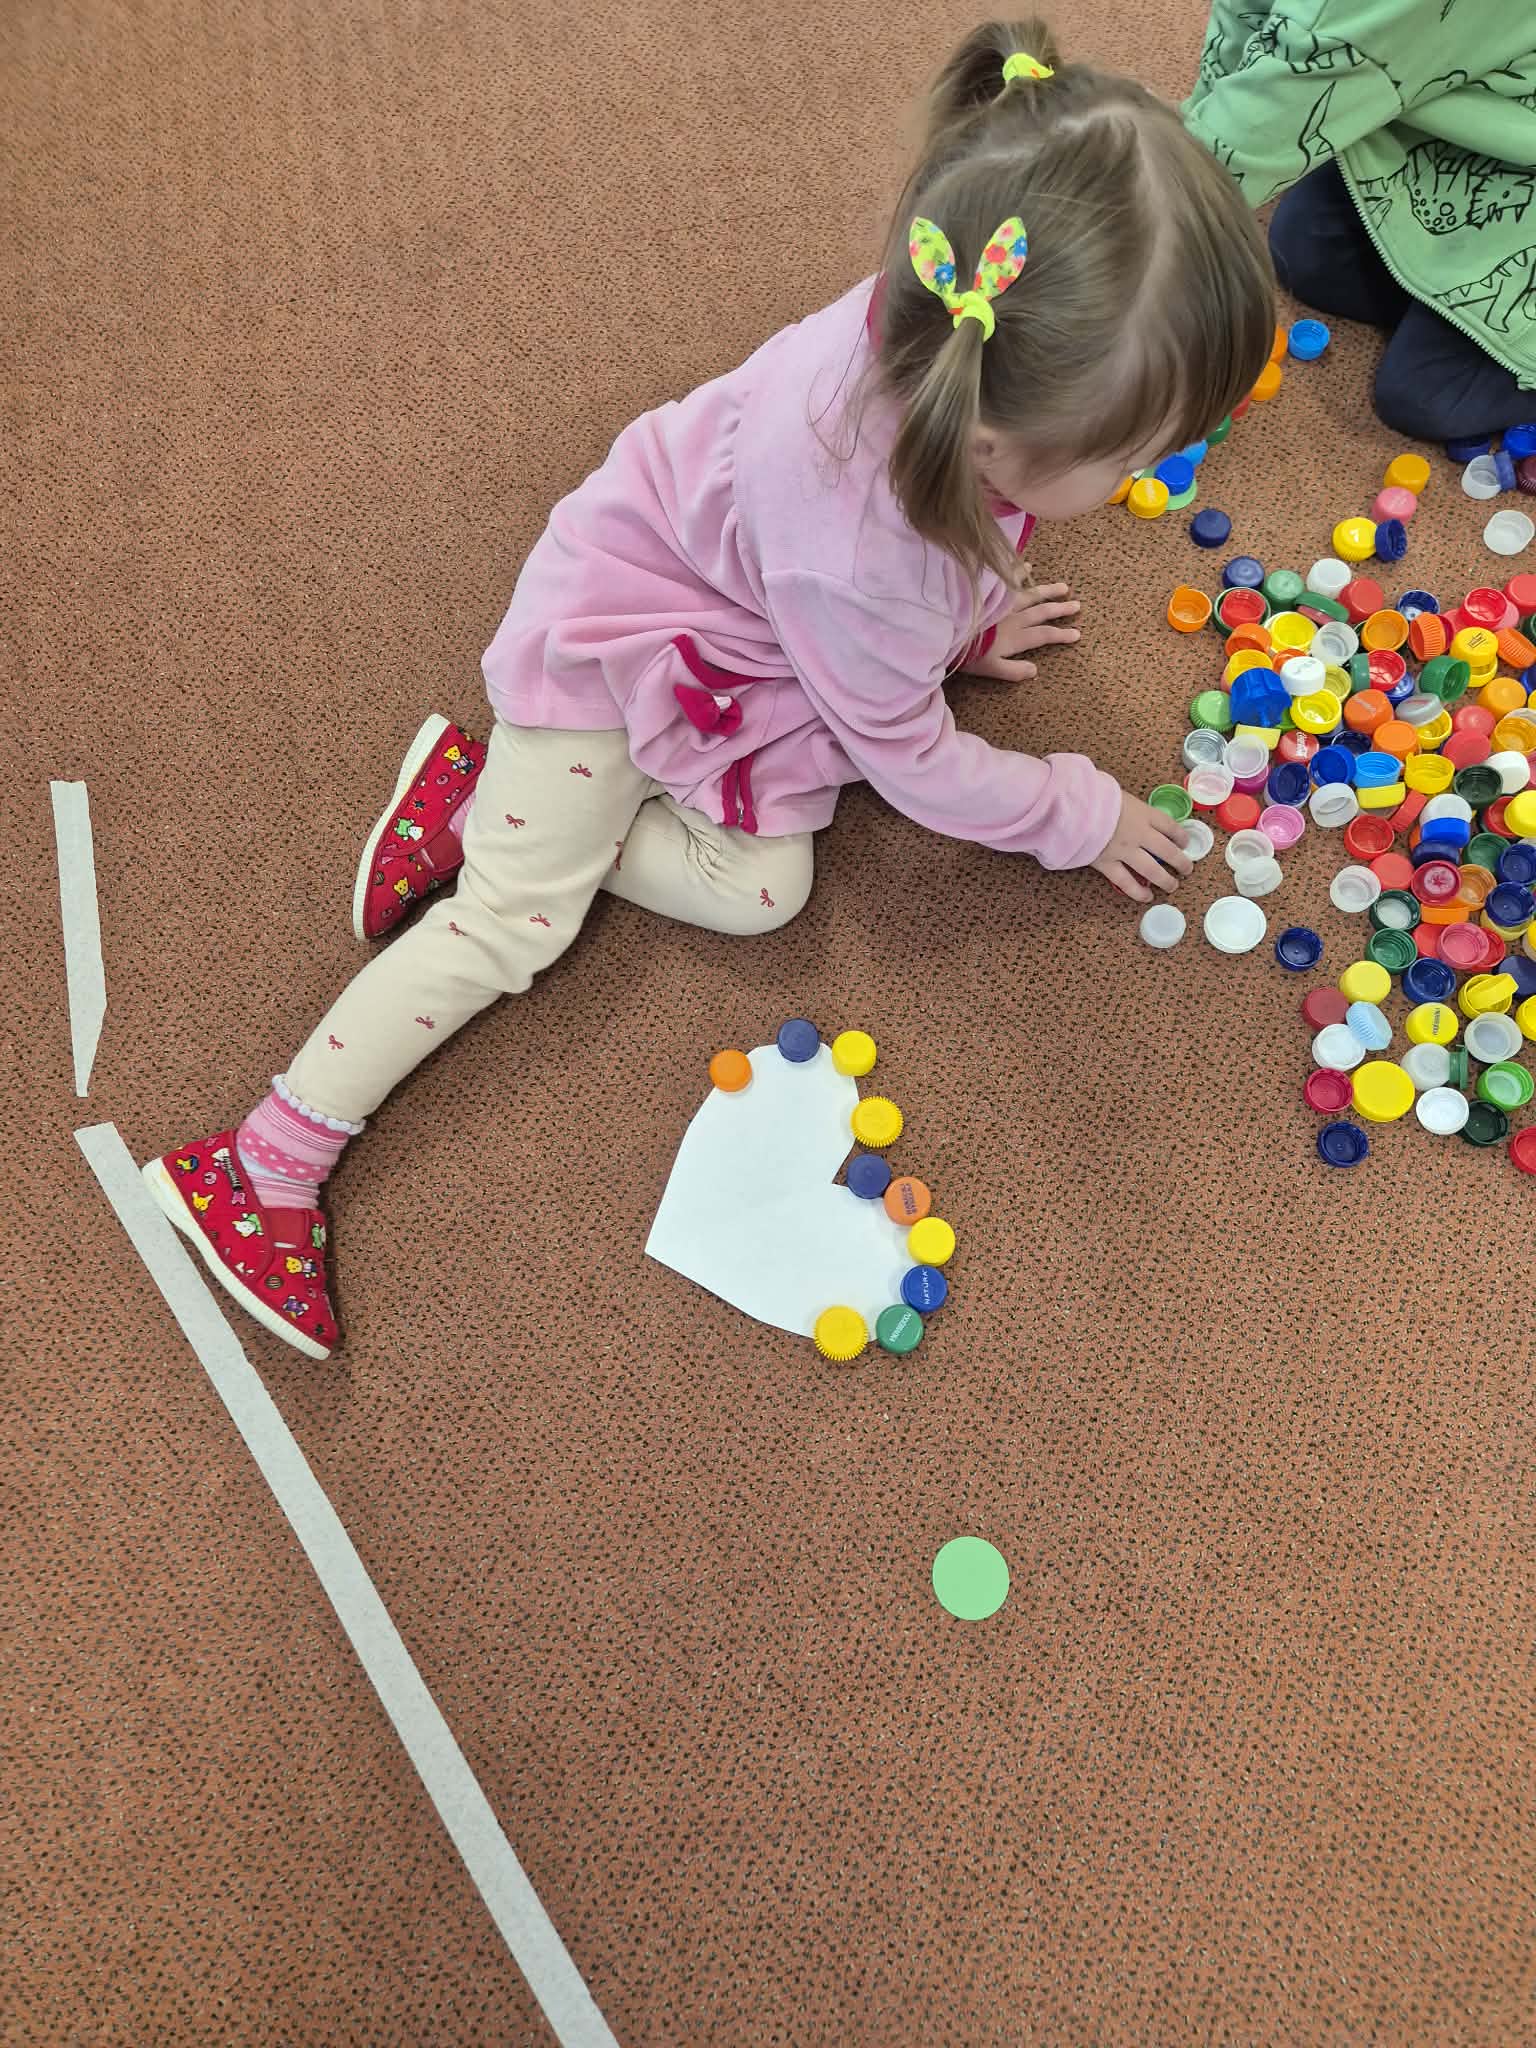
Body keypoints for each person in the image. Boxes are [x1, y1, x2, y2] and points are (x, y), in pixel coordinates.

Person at [143, 17, 1272, 1358]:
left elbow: (904, 583)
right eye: (1141, 450)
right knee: (519, 925)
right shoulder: (873, 565)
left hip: (739, 630)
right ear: (989, 439)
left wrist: (963, 627)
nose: (1156, 469)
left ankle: (481, 803)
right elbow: (911, 759)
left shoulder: (936, 319)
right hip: (617, 648)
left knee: (762, 889)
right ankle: (263, 1159)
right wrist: (1075, 812)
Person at [1184, 0, 1536, 441]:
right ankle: (1446, 299)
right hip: (1470, 130)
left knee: (1427, 395)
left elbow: (1257, 131)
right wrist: (1191, 137)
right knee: (1304, 251)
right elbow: (1248, 15)